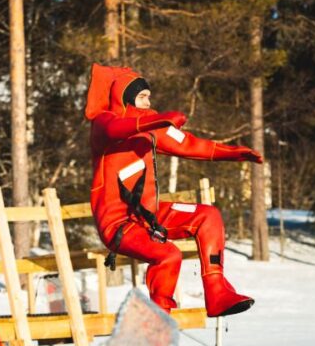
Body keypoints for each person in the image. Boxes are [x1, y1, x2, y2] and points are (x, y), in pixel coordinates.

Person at [85, 63, 263, 317]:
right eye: (142, 97)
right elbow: (117, 129)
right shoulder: (104, 124)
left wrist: (234, 153)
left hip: (150, 215)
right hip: (119, 225)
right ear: (124, 97)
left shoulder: (151, 127)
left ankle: (217, 292)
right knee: (169, 254)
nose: (148, 102)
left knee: (208, 216)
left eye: (149, 97)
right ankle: (159, 316)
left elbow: (190, 144)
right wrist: (158, 119)